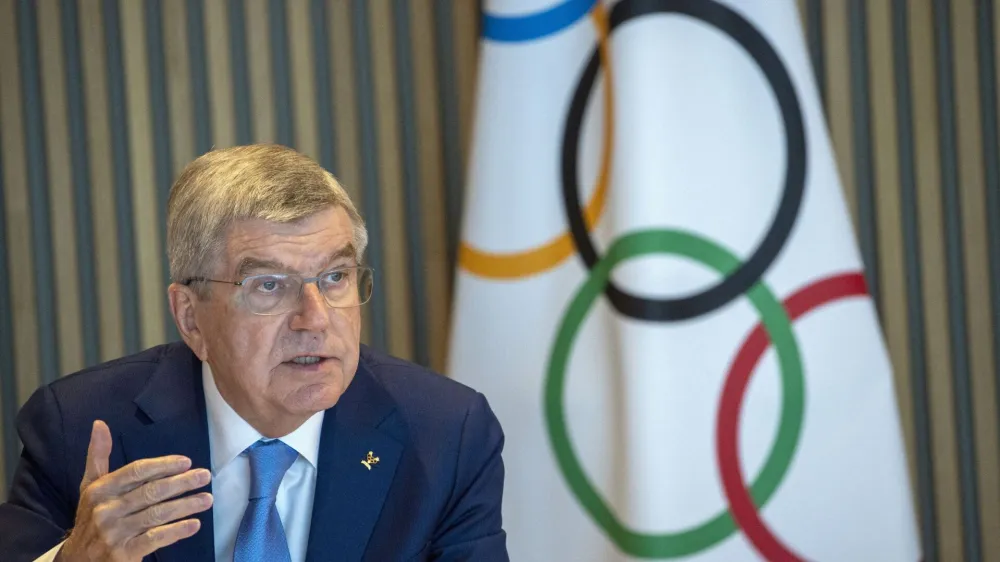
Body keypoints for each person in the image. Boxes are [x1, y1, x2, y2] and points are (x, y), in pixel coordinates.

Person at [0, 144, 508, 562]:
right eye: (269, 285)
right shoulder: (80, 431)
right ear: (191, 317)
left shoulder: (447, 436)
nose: (315, 318)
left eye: (335, 278)